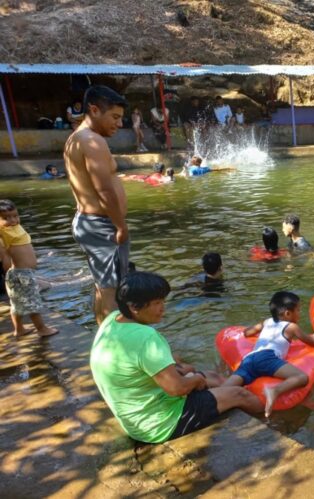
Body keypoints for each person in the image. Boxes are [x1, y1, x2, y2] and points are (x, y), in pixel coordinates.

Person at [90, 271, 263, 444]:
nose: (163, 307)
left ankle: (222, 394)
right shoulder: (146, 337)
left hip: (136, 418)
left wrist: (194, 376)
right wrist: (195, 380)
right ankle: (267, 416)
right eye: (157, 303)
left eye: (163, 301)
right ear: (134, 307)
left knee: (211, 376)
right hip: (161, 424)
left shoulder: (112, 319)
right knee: (239, 394)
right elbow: (176, 389)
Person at [64, 85, 130, 325]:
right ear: (93, 110)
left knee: (103, 287)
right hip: (103, 225)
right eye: (114, 117)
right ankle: (113, 350)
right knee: (112, 289)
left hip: (90, 223)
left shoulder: (76, 139)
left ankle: (101, 341)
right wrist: (120, 226)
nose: (119, 124)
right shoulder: (92, 141)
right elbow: (104, 189)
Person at [222, 291, 314, 417]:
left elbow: (247, 333)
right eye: (298, 310)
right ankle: (274, 391)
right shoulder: (291, 327)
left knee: (225, 388)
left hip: (249, 359)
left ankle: (207, 394)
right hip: (268, 358)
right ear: (288, 313)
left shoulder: (267, 322)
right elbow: (313, 341)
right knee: (302, 377)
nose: (300, 314)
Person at [0, 200, 59, 338]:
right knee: (33, 303)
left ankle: (19, 329)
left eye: (15, 215)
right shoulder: (3, 235)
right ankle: (42, 329)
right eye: (6, 218)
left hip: (23, 273)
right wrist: (9, 272)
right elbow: (5, 258)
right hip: (21, 274)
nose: (12, 220)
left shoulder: (15, 229)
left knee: (18, 304)